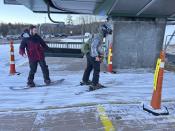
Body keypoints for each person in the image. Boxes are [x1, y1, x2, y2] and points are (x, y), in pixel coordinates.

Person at [81, 23, 112, 90]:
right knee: (96, 69)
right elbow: (93, 46)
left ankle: (85, 80)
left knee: (89, 67)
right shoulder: (98, 36)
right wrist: (96, 56)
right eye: (107, 33)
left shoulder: (98, 35)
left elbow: (96, 47)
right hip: (93, 54)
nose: (107, 35)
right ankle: (95, 84)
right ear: (104, 31)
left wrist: (101, 53)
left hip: (89, 53)